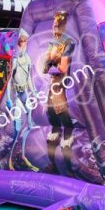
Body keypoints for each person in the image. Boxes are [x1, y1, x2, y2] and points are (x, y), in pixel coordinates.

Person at [43, 11, 76, 171]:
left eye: (57, 26)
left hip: (62, 89)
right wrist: (51, 63)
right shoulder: (52, 43)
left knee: (66, 127)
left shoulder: (69, 43)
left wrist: (51, 62)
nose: (54, 29)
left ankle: (68, 168)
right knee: (55, 128)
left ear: (64, 27)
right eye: (53, 26)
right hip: (53, 89)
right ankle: (54, 165)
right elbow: (44, 68)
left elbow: (62, 68)